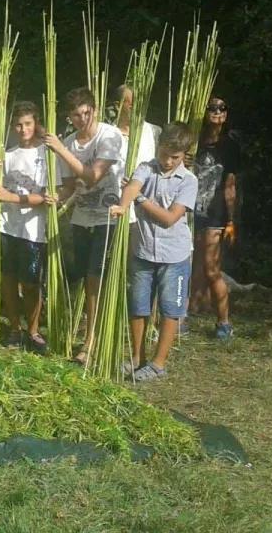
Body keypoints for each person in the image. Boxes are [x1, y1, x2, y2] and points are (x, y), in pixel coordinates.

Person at [110, 123, 198, 382]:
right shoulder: (146, 168)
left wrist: (139, 200)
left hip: (175, 255)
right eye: (164, 154)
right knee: (138, 306)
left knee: (170, 309)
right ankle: (137, 358)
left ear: (184, 155)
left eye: (175, 157)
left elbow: (170, 218)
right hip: (143, 250)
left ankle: (158, 364)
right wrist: (123, 205)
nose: (168, 161)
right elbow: (133, 186)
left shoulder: (189, 181)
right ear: (158, 147)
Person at [44, 87, 124, 364]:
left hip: (109, 217)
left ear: (95, 110)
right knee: (83, 276)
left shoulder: (109, 135)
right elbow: (70, 186)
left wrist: (60, 150)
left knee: (95, 277)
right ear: (70, 117)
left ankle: (91, 342)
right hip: (81, 218)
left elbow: (92, 176)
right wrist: (56, 197)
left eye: (86, 113)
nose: (82, 120)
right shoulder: (68, 141)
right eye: (76, 116)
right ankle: (92, 335)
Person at [0, 102, 56, 351]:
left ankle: (33, 330)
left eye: (28, 124)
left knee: (30, 282)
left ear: (36, 124)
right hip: (7, 226)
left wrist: (12, 198)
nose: (23, 129)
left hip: (33, 230)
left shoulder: (46, 155)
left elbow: (47, 196)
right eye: (18, 125)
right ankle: (15, 328)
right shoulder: (7, 155)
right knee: (8, 278)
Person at [190, 96, 241, 340]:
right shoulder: (193, 140)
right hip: (187, 209)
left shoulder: (229, 145)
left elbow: (230, 184)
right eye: (212, 107)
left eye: (222, 107)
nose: (217, 111)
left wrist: (230, 220)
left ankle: (224, 323)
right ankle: (185, 314)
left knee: (211, 269)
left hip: (214, 213)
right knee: (190, 265)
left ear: (226, 113)